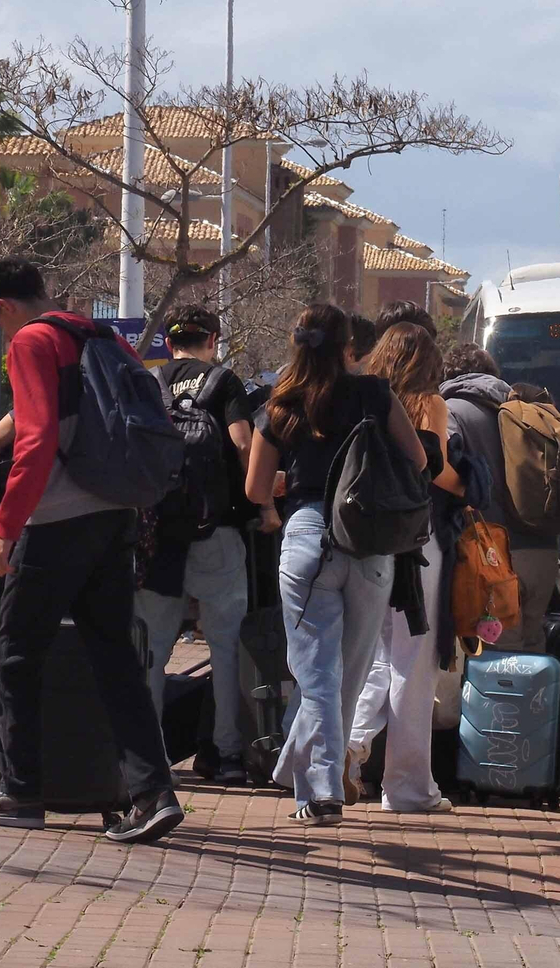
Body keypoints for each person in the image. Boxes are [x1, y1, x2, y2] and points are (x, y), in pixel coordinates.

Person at [0, 260, 182, 843]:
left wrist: (7, 526)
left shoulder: (32, 340)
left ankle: (18, 792)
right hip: (114, 514)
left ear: (3, 307)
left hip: (55, 521)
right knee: (116, 658)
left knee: (15, 655)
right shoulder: (99, 336)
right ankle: (153, 792)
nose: (3, 339)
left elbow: (37, 439)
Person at [246, 305, 425, 824]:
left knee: (316, 670)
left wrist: (287, 486)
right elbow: (416, 459)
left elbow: (256, 489)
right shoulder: (374, 393)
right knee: (346, 670)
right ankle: (313, 778)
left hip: (307, 536)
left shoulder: (282, 401)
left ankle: (317, 786)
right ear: (349, 344)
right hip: (369, 541)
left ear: (296, 342)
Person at [135, 305, 263, 786]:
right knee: (226, 646)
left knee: (152, 647)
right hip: (218, 531)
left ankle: (145, 759)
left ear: (169, 344)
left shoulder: (151, 383)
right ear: (212, 340)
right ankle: (227, 753)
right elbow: (243, 444)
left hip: (159, 535)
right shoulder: (223, 382)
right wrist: (265, 506)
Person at [347, 322, 462, 813]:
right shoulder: (428, 403)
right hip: (417, 538)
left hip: (363, 538)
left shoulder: (361, 397)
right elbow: (438, 470)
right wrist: (470, 486)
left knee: (372, 654)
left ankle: (348, 746)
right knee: (414, 661)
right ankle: (408, 787)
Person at [439, 342, 560, 651]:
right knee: (532, 650)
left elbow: (443, 466)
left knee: (498, 664)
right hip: (544, 551)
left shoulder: (452, 410)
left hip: (491, 557)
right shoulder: (527, 409)